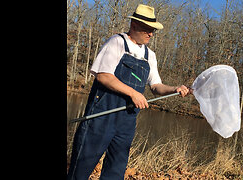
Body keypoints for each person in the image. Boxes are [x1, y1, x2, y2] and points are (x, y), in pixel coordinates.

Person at [67, 4, 191, 180]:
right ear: (134, 26)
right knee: (80, 169)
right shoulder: (117, 42)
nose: (151, 34)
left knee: (115, 173)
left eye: (153, 30)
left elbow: (156, 86)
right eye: (147, 29)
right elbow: (103, 76)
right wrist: (133, 93)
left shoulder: (150, 56)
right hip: (101, 117)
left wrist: (175, 89)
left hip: (126, 123)